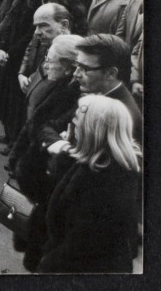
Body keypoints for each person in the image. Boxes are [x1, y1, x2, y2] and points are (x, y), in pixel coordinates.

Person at [37, 96, 141, 273]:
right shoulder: (105, 164)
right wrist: (68, 150)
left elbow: (80, 245)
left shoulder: (103, 179)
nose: (73, 124)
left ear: (92, 129)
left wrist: (46, 267)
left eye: (77, 119)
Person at [6, 34, 83, 271]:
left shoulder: (75, 95)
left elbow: (43, 124)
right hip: (34, 171)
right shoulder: (61, 85)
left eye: (51, 61)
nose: (45, 65)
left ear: (70, 68)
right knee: (29, 229)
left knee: (38, 237)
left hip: (45, 177)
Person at [0, 0, 47, 152]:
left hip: (25, 55)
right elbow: (8, 22)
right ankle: (9, 134)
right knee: (8, 96)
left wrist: (10, 51)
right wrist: (1, 47)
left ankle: (16, 141)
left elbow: (31, 34)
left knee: (19, 99)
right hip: (9, 53)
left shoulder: (41, 0)